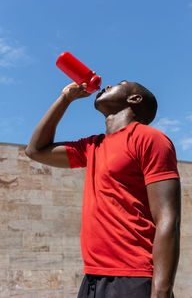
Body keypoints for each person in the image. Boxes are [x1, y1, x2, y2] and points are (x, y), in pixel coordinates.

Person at [25, 80, 181, 298]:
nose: (106, 86)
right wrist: (65, 99)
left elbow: (168, 217)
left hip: (133, 277)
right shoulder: (92, 146)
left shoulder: (150, 139)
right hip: (92, 278)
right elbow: (35, 150)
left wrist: (161, 291)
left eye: (119, 84)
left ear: (134, 99)